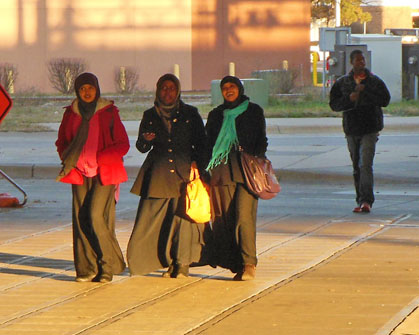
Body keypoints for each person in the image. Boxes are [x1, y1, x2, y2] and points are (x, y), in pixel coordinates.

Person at [127, 73, 210, 278]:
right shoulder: (150, 115)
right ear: (158, 90)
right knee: (154, 221)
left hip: (185, 176)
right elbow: (141, 147)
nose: (168, 92)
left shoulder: (190, 114)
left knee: (184, 221)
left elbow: (202, 144)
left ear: (178, 91)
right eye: (164, 88)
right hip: (159, 176)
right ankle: (159, 260)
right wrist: (146, 140)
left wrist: (199, 166)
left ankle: (181, 264)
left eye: (172, 88)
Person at [55, 73, 129, 283]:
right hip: (78, 172)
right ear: (77, 91)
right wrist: (68, 157)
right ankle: (87, 268)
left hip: (104, 173)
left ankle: (107, 266)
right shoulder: (71, 113)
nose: (87, 93)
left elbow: (123, 144)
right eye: (83, 89)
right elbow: (61, 141)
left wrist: (101, 157)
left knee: (96, 216)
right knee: (81, 220)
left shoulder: (109, 112)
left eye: (91, 88)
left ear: (97, 89)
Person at [205, 76, 267, 281]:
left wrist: (253, 156)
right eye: (225, 88)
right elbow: (207, 144)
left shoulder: (253, 111)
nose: (228, 90)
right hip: (222, 172)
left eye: (232, 86)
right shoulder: (216, 115)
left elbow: (262, 140)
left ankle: (249, 263)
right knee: (226, 219)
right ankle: (236, 263)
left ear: (240, 88)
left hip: (247, 172)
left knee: (244, 217)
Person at [329, 50, 391, 213]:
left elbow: (385, 100)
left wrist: (366, 92)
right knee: (357, 166)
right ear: (351, 62)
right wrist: (350, 99)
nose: (361, 63)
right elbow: (334, 104)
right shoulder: (343, 83)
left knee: (365, 164)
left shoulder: (374, 81)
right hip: (352, 129)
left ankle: (366, 201)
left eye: (362, 60)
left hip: (370, 128)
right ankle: (359, 198)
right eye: (357, 60)